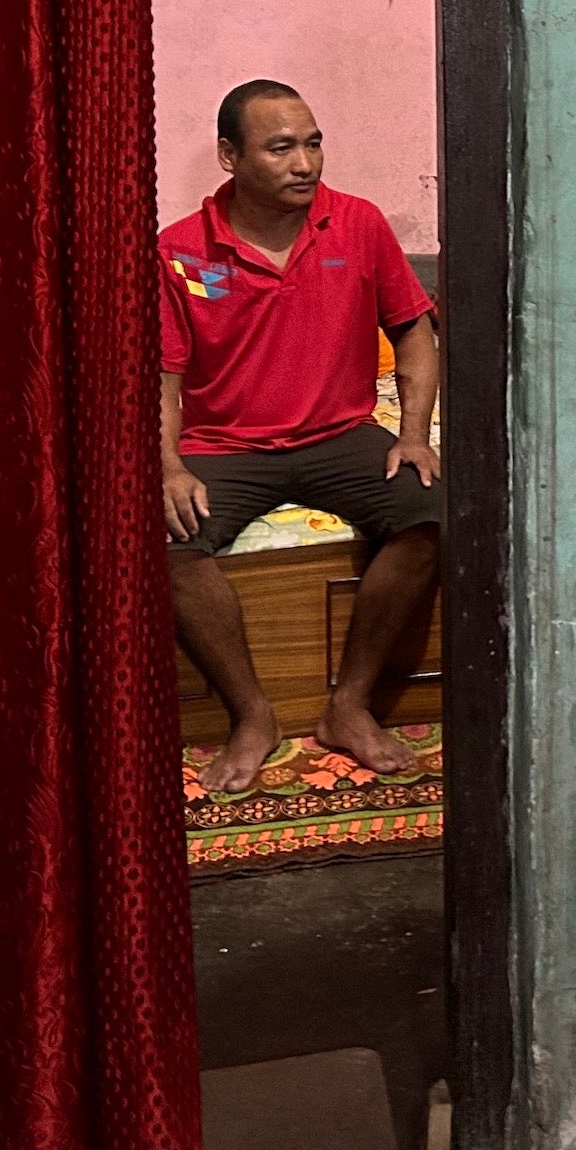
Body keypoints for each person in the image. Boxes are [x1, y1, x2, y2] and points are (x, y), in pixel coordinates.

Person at [160, 79, 443, 795]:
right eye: (280, 147)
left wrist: (412, 435)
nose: (304, 163)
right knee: (161, 538)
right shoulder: (179, 251)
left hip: (340, 433)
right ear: (230, 156)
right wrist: (168, 466)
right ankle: (251, 714)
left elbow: (413, 331)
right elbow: (159, 375)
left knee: (432, 511)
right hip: (226, 445)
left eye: (312, 143)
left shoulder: (357, 224)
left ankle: (349, 705)